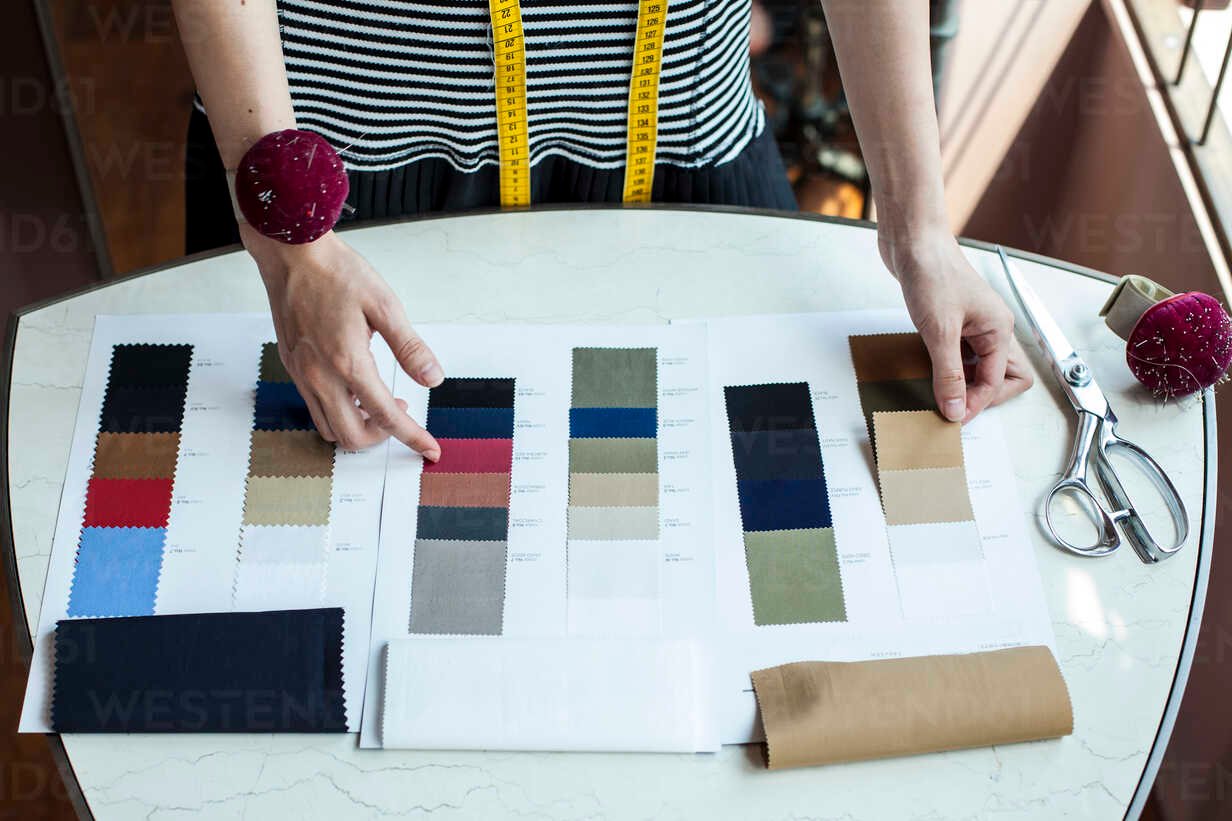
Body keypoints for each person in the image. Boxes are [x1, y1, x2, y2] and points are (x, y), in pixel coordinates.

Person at [173, 0, 1032, 460]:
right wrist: (292, 252)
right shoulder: (309, 235)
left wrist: (919, 228)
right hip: (342, 189)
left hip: (689, 152)